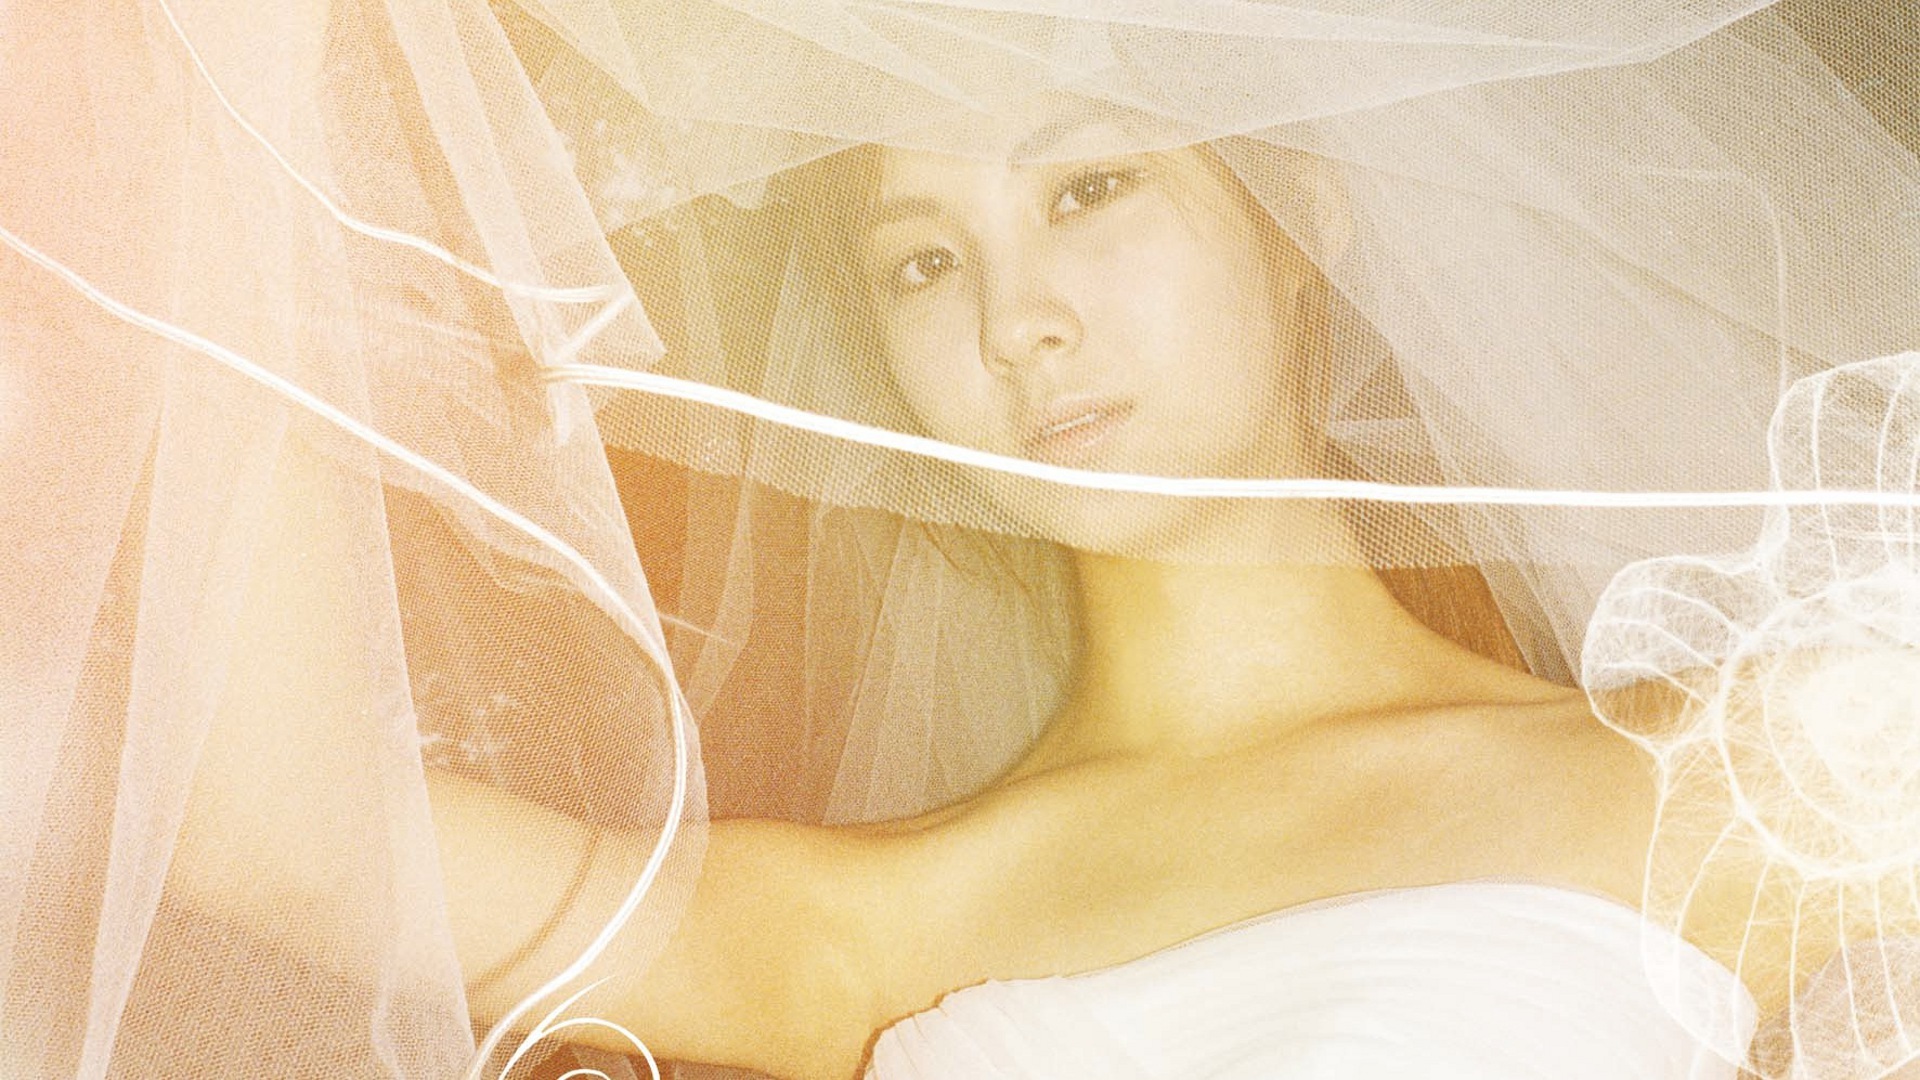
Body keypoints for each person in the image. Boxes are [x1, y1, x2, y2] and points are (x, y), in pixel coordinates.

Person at [6, 2, 1920, 1079]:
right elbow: (283, 833)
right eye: (924, 261)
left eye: (1089, 189)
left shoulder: (1733, 781)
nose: (1019, 321)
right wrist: (219, 94)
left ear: (1300, 213)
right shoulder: (874, 925)